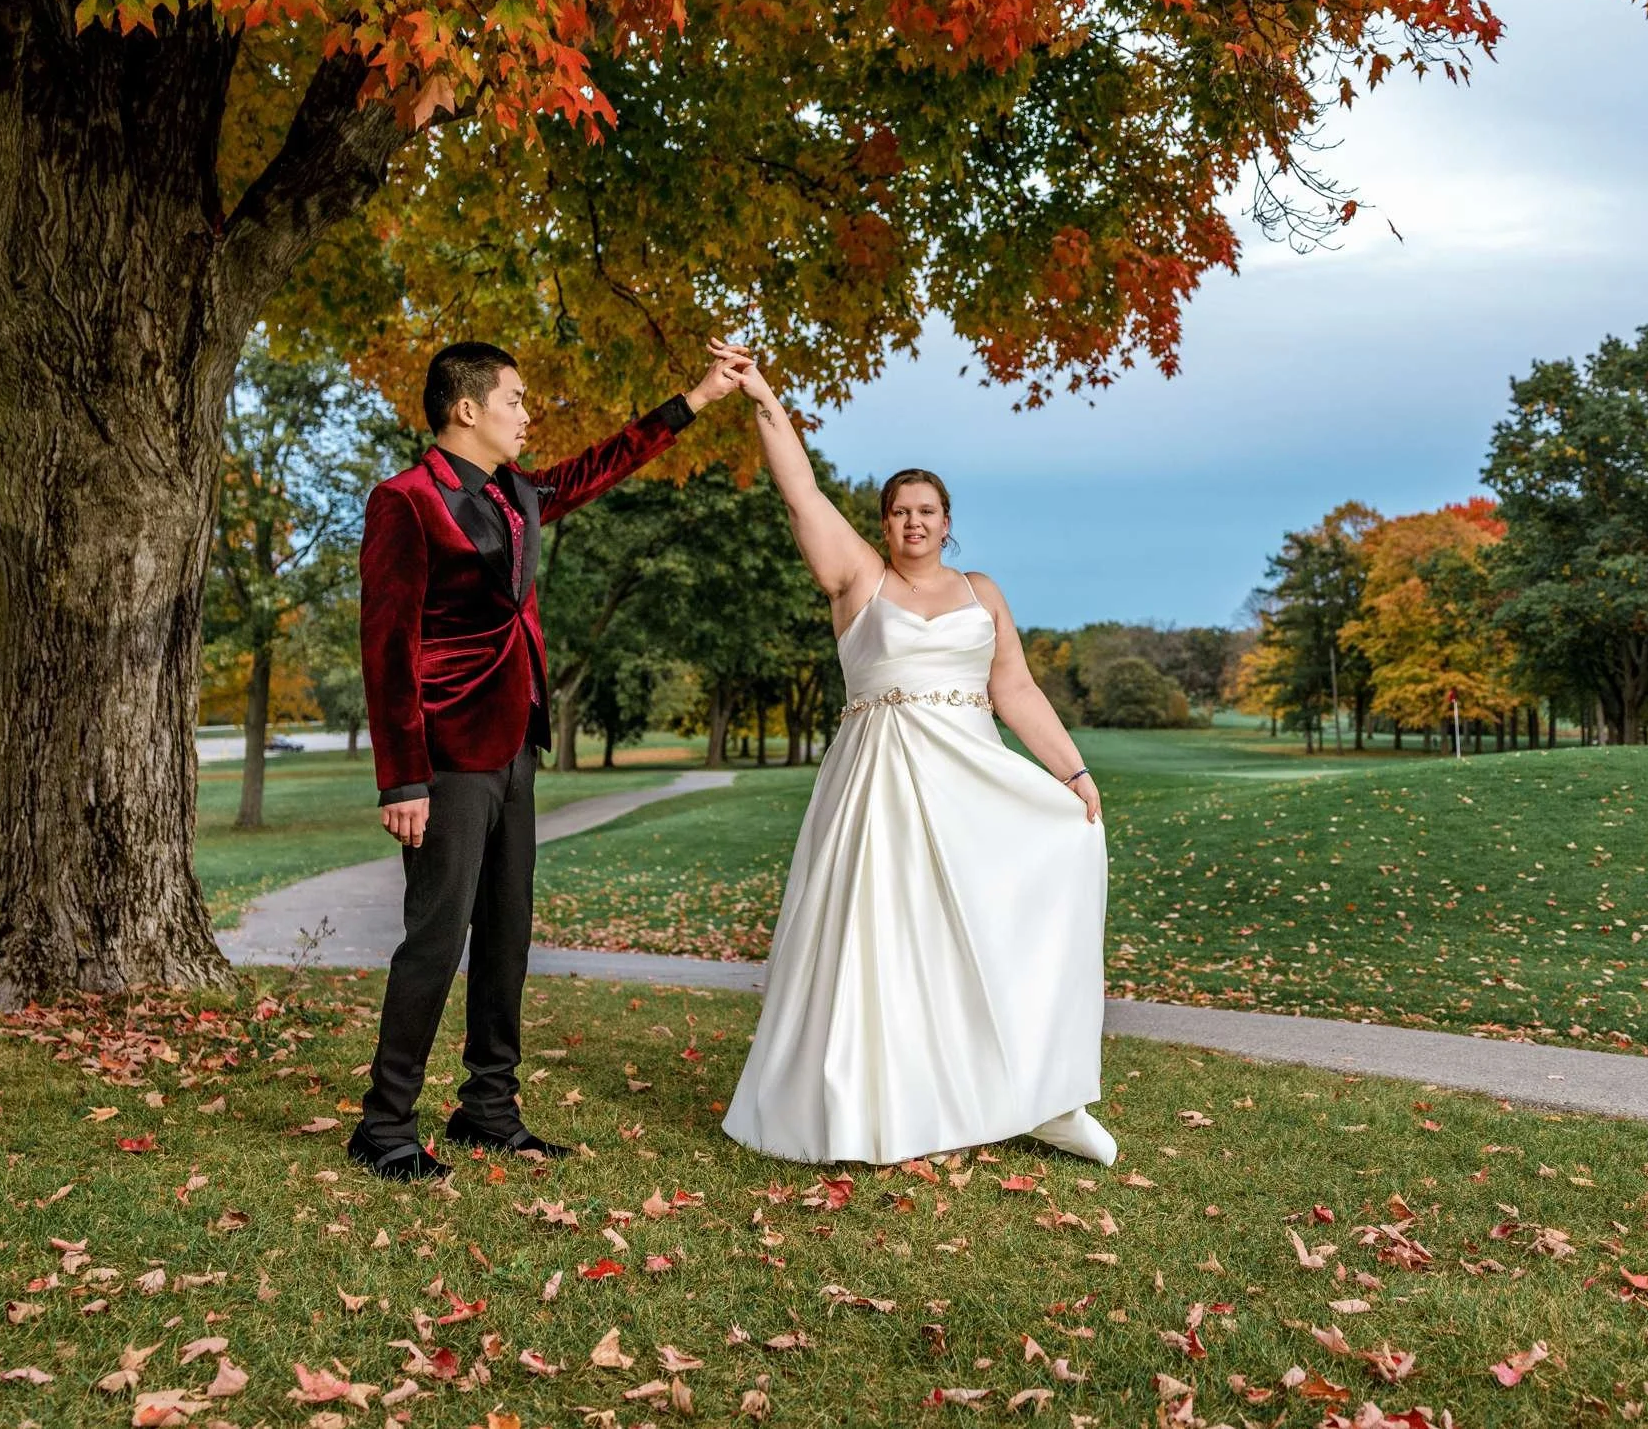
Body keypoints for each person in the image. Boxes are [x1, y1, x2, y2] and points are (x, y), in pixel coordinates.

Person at [350, 340, 746, 1180]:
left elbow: (603, 466)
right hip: (447, 756)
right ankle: (384, 1125)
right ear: (467, 409)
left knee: (506, 938)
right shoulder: (405, 502)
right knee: (435, 939)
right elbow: (387, 647)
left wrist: (697, 398)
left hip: (515, 749)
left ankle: (487, 1109)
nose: (529, 414)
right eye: (517, 400)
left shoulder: (515, 493)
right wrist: (403, 777)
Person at [718, 346, 1117, 1167]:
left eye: (927, 509)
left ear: (947, 519)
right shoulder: (858, 583)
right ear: (883, 522)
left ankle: (1047, 1093)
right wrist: (762, 395)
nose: (914, 522)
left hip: (973, 785)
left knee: (1003, 925)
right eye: (900, 510)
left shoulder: (982, 592)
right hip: (880, 787)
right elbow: (801, 492)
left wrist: (1073, 774)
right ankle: (876, 1108)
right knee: (885, 945)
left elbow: (1018, 692)